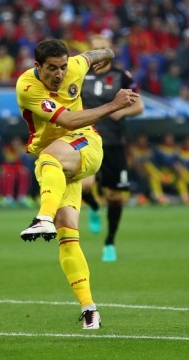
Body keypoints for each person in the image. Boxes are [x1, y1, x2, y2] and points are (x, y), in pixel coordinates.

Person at [16, 39, 139, 330]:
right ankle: (89, 309)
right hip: (60, 161)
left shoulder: (76, 65)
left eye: (62, 67)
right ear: (38, 67)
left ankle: (41, 218)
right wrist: (114, 104)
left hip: (87, 143)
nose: (59, 74)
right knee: (68, 235)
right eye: (52, 69)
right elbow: (68, 119)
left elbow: (99, 53)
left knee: (49, 157)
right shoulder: (27, 88)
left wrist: (106, 56)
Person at [80, 34, 144, 262]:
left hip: (114, 142)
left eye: (103, 49)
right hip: (85, 138)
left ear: (110, 51)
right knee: (84, 185)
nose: (99, 53)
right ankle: (94, 207)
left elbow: (139, 106)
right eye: (95, 49)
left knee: (114, 194)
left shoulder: (121, 76)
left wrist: (123, 111)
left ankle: (109, 241)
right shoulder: (80, 75)